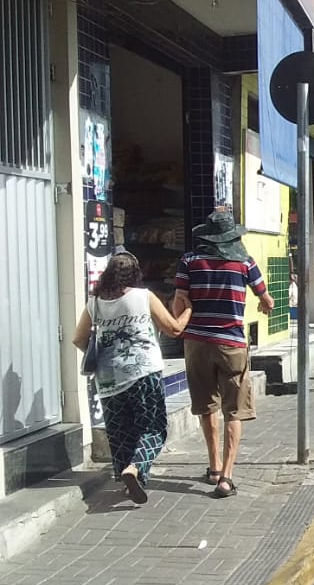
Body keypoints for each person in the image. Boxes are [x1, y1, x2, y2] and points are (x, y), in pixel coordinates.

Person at [74, 252, 190, 504]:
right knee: (153, 427)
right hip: (143, 372)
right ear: (135, 273)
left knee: (120, 431)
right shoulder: (144, 296)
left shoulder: (94, 303)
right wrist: (188, 309)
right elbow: (174, 329)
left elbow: (78, 339)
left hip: (107, 379)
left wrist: (107, 354)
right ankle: (135, 468)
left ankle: (128, 480)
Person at [173, 211, 274, 499]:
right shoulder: (245, 262)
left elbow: (180, 300)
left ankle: (214, 466)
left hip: (196, 343)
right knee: (234, 409)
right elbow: (265, 299)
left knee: (206, 406)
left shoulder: (189, 261)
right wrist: (266, 305)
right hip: (231, 344)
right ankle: (226, 477)